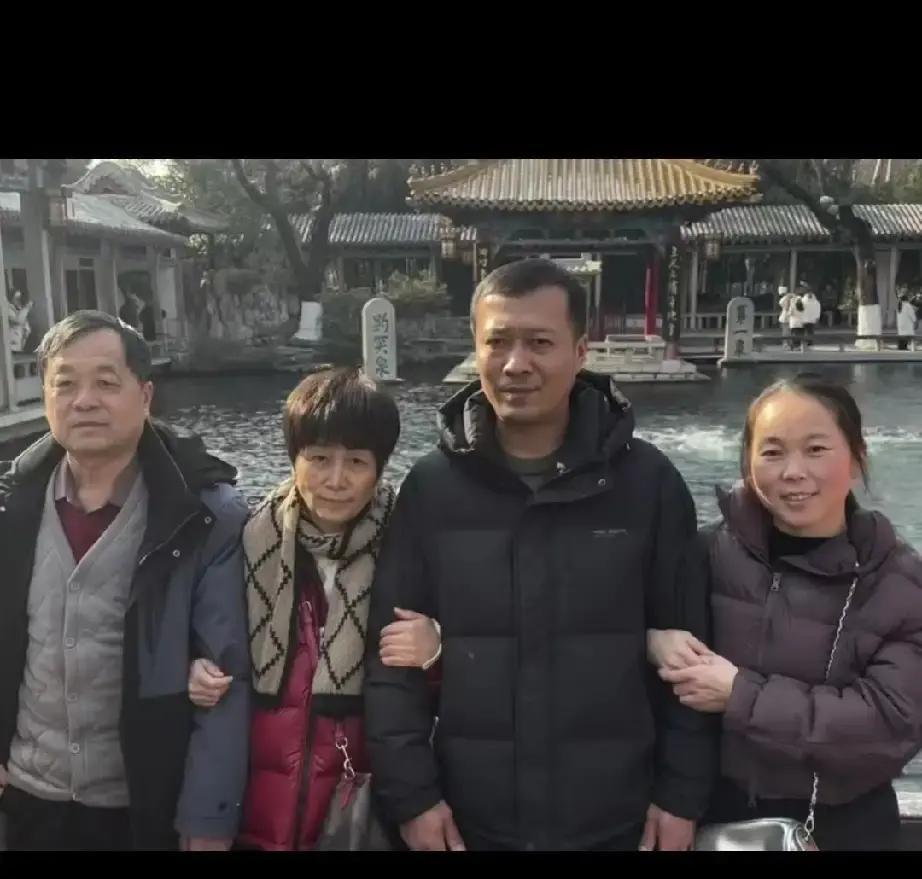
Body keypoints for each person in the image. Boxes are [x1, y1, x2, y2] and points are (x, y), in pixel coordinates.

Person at [363, 258, 716, 852]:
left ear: (580, 352)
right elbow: (391, 665)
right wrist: (413, 799)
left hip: (617, 820)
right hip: (470, 822)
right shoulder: (431, 489)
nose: (515, 364)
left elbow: (692, 658)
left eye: (540, 343)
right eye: (497, 342)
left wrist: (681, 797)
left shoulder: (647, 484)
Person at [0, 310, 250, 851]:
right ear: (45, 396)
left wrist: (208, 818)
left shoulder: (203, 515)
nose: (84, 401)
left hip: (142, 804)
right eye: (65, 384)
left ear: (146, 395)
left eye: (106, 383)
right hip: (25, 796)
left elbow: (227, 676)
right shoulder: (13, 507)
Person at [647, 374, 922, 850]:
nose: (793, 472)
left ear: (857, 458)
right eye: (772, 452)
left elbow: (889, 726)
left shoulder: (898, 580)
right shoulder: (703, 553)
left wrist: (740, 694)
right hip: (710, 819)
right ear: (747, 462)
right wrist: (649, 640)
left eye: (816, 450)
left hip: (841, 827)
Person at [186, 367, 443, 851]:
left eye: (357, 462)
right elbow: (203, 636)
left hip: (356, 816)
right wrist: (194, 667)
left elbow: (464, 684)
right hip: (251, 817)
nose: (336, 480)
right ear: (294, 459)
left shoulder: (409, 550)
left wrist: (435, 653)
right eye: (319, 458)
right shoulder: (246, 541)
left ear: (380, 467)